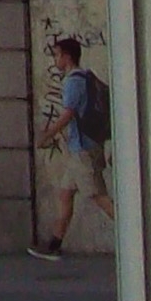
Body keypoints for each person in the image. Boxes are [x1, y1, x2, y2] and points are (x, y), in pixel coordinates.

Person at [29, 32, 115, 259]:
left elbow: (67, 115)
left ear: (67, 57)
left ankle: (136, 233)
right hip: (81, 149)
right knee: (65, 194)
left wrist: (46, 136)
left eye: (57, 55)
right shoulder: (86, 77)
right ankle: (54, 245)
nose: (55, 60)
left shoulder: (73, 82)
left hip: (83, 150)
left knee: (98, 196)